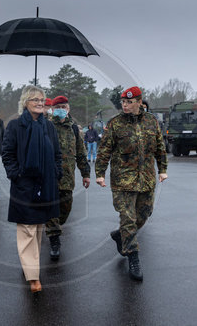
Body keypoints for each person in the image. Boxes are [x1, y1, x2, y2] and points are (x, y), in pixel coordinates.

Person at [95, 86, 168, 282]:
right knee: (127, 218)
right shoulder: (115, 124)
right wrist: (99, 173)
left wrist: (162, 169)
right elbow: (104, 151)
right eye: (123, 102)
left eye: (129, 102)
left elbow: (160, 147)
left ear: (138, 102)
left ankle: (121, 236)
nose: (125, 105)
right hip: (123, 181)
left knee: (144, 215)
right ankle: (133, 257)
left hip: (146, 179)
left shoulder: (151, 122)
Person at [2, 85, 62, 293]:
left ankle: (29, 266)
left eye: (42, 100)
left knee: (37, 228)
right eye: (34, 99)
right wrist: (16, 175)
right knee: (27, 229)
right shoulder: (15, 126)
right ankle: (33, 277)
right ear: (25, 103)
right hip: (24, 185)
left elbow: (57, 154)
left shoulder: (49, 127)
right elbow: (7, 153)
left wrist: (56, 172)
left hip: (45, 185)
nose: (39, 103)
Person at [45, 96, 90, 260]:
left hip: (67, 177)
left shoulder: (74, 130)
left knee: (65, 209)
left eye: (64, 106)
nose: (61, 109)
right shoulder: (46, 125)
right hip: (49, 176)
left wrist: (86, 174)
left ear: (68, 109)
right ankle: (54, 240)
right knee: (51, 209)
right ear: (52, 109)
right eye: (58, 106)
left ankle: (54, 227)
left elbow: (81, 153)